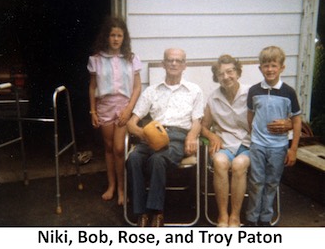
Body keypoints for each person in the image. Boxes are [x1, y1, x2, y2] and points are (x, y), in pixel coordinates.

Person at [201, 54, 293, 227]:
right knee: (219, 162)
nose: (226, 77)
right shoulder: (213, 98)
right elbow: (204, 126)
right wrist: (212, 135)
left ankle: (235, 216)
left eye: (230, 72)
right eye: (221, 74)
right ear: (216, 77)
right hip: (225, 144)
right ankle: (222, 216)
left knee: (239, 164)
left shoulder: (253, 92)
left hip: (252, 143)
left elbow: (285, 116)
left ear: (237, 72)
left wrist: (288, 123)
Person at [126, 48, 204, 227]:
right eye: (170, 60)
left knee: (157, 159)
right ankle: (141, 213)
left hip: (178, 136)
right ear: (163, 64)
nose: (174, 64)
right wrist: (142, 134)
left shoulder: (194, 90)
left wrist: (192, 135)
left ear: (184, 65)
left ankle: (156, 212)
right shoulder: (151, 91)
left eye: (178, 61)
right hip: (153, 135)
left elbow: (197, 120)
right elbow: (131, 123)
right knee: (134, 158)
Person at [87, 16, 142, 205]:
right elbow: (92, 87)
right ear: (106, 37)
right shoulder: (96, 59)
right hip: (104, 106)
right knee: (109, 148)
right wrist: (93, 111)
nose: (116, 39)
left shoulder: (131, 59)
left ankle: (122, 188)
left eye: (119, 35)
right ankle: (112, 186)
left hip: (124, 106)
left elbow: (137, 87)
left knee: (120, 148)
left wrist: (129, 109)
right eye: (112, 35)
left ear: (124, 37)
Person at [245, 46, 302, 226]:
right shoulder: (254, 91)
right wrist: (254, 134)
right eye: (266, 65)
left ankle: (265, 217)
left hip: (278, 146)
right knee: (255, 181)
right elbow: (250, 115)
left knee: (272, 182)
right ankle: (252, 218)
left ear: (282, 68)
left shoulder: (289, 92)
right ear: (260, 68)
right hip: (258, 145)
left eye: (273, 65)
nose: (269, 69)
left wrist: (293, 149)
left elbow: (297, 120)